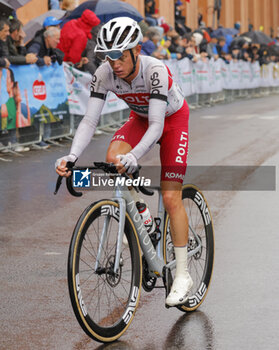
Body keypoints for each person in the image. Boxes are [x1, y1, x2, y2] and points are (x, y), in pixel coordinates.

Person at [55, 17, 193, 307]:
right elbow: (90, 119)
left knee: (170, 197)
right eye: (107, 56)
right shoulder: (105, 73)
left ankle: (182, 275)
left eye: (119, 55)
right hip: (140, 119)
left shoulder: (154, 70)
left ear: (136, 50)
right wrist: (72, 155)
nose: (113, 62)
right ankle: (140, 211)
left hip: (171, 121)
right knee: (112, 159)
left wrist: (134, 156)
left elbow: (158, 124)